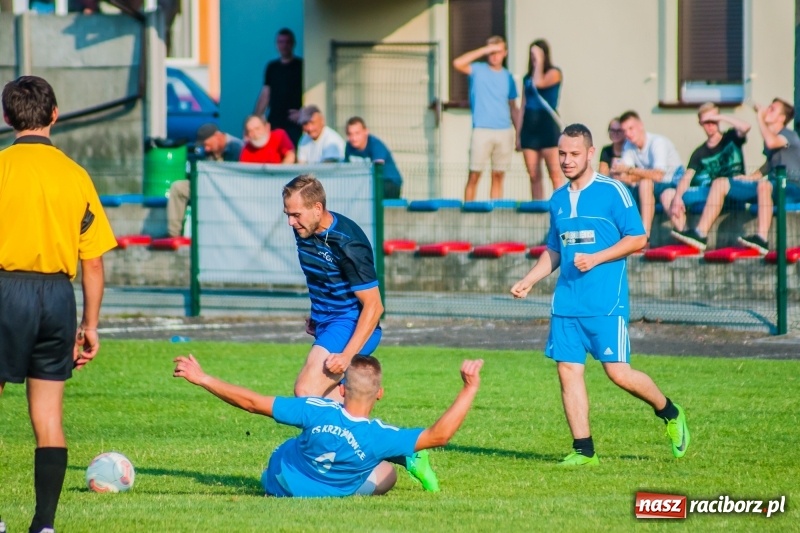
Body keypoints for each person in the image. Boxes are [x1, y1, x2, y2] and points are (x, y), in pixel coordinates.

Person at [510, 123, 690, 466]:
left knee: (618, 373)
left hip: (605, 303)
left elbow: (638, 238)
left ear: (591, 153)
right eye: (562, 153)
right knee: (568, 371)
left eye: (574, 154)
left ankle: (669, 412)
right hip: (566, 304)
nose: (566, 160)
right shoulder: (558, 198)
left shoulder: (613, 191)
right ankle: (583, 450)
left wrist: (596, 258)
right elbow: (555, 249)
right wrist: (530, 279)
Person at [0, 76, 117, 533]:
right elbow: (94, 263)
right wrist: (90, 325)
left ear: (8, 118)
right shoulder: (75, 175)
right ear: (54, 115)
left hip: (5, 288)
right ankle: (44, 524)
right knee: (48, 417)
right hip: (56, 297)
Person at [282, 175, 439, 491]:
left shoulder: (348, 243)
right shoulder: (306, 230)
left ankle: (351, 463)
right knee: (332, 409)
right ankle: (405, 453)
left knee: (306, 392)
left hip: (352, 325)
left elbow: (374, 306)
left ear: (317, 208)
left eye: (296, 214)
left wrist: (348, 354)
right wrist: (317, 316)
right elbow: (322, 280)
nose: (290, 222)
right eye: (287, 214)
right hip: (330, 323)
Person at [173, 354, 483, 498]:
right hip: (334, 491)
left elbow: (252, 403)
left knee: (287, 453)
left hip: (280, 484)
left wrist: (203, 378)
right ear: (380, 394)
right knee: (387, 473)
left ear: (343, 389)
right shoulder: (379, 435)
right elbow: (439, 435)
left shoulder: (314, 409)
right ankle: (409, 456)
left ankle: (408, 455)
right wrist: (469, 388)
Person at [676, 98, 800, 254]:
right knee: (721, 183)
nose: (767, 110)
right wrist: (751, 177)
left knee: (764, 186)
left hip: (791, 189)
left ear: (782, 118)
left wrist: (759, 118)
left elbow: (770, 142)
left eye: (772, 109)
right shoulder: (770, 137)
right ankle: (700, 234)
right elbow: (769, 164)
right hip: (769, 188)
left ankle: (761, 239)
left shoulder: (789, 135)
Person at [667, 103, 751, 250]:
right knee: (669, 193)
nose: (711, 125)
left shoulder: (731, 138)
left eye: (714, 121)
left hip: (733, 190)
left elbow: (745, 127)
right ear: (701, 124)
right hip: (710, 194)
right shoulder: (699, 152)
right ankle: (686, 234)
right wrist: (678, 197)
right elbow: (687, 177)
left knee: (719, 183)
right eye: (707, 122)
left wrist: (721, 116)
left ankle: (700, 234)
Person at [453, 36, 519, 201]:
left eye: (498, 52)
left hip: (504, 131)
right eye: (492, 52)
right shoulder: (477, 70)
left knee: (498, 176)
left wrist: (519, 133)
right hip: (482, 129)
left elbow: (513, 107)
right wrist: (484, 50)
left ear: (505, 53)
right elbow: (458, 63)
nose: (494, 56)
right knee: (474, 174)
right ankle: (468, 212)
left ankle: (495, 215)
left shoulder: (508, 77)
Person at [611, 111, 685, 239]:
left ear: (641, 125)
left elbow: (658, 175)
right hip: (652, 186)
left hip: (673, 182)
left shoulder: (657, 142)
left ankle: (645, 235)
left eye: (631, 128)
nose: (628, 134)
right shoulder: (628, 146)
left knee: (648, 185)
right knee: (620, 189)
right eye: (624, 130)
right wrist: (629, 173)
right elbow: (622, 176)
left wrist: (630, 171)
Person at [166, 123, 244, 238]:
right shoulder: (210, 150)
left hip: (229, 191)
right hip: (207, 185)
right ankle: (173, 235)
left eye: (207, 144)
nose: (206, 148)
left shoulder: (236, 147)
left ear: (217, 136)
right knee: (178, 187)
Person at [518, 39, 564, 200]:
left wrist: (539, 63)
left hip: (548, 128)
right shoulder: (527, 78)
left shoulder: (554, 73)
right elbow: (523, 105)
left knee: (555, 173)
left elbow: (539, 82)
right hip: (530, 129)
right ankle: (537, 207)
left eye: (537, 54)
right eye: (532, 55)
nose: (533, 58)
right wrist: (518, 134)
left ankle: (560, 207)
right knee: (533, 174)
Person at [253, 28, 303, 146]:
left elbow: (311, 91)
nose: (284, 45)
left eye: (287, 42)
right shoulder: (272, 67)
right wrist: (256, 119)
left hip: (294, 123)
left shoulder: (301, 66)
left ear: (293, 44)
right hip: (275, 120)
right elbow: (265, 94)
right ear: (276, 45)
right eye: (281, 42)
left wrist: (302, 113)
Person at [344, 116, 403, 199]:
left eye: (357, 133)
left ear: (366, 131)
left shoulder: (376, 145)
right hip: (365, 184)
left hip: (388, 183)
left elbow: (377, 170)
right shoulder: (349, 147)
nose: (354, 138)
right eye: (350, 134)